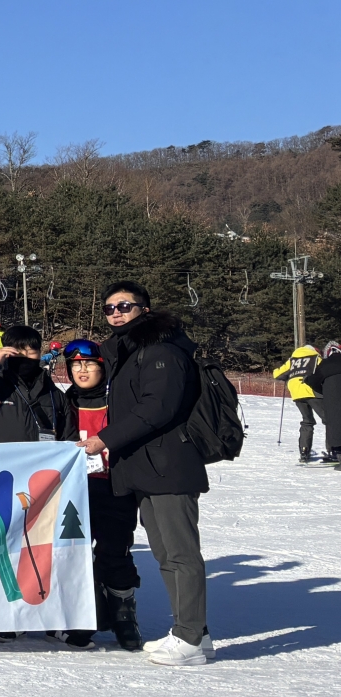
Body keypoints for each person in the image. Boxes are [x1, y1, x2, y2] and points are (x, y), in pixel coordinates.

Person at [81, 280, 209, 667]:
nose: (117, 313)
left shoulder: (161, 351)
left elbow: (158, 408)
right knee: (165, 553)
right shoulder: (130, 351)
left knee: (180, 553)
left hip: (169, 466)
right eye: (109, 308)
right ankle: (191, 632)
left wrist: (104, 439)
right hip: (147, 469)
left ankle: (191, 638)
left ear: (145, 310)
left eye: (125, 306)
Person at [56, 338, 142, 650]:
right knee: (73, 556)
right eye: (75, 365)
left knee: (114, 552)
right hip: (76, 491)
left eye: (88, 364)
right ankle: (84, 617)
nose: (81, 370)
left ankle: (125, 617)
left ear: (101, 367)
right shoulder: (66, 401)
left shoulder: (117, 400)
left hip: (114, 486)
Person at [0, 325, 60, 443]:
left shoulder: (53, 393)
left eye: (31, 352)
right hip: (1, 460)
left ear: (39, 354)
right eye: (18, 352)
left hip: (44, 460)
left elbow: (69, 436)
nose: (25, 357)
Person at [275, 341, 330, 462]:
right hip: (312, 390)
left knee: (307, 421)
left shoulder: (293, 359)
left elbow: (277, 374)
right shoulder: (315, 357)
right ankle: (333, 451)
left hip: (296, 392)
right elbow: (326, 371)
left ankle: (304, 452)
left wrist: (288, 376)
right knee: (329, 420)